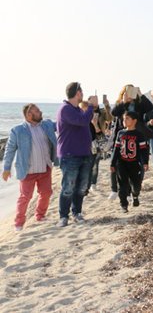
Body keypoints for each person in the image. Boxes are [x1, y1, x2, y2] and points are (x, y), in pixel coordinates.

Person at [2, 104, 58, 231]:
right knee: (25, 197)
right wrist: (6, 168)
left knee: (46, 193)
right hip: (27, 170)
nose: (40, 112)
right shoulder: (17, 130)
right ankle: (19, 223)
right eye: (37, 111)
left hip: (45, 167)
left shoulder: (46, 125)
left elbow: (61, 123)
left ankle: (40, 215)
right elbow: (10, 150)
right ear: (29, 115)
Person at [56, 82, 98, 227]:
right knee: (68, 187)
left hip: (84, 154)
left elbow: (84, 122)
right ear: (77, 93)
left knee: (81, 187)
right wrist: (90, 106)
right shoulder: (65, 109)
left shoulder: (78, 110)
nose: (83, 94)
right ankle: (63, 216)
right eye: (81, 91)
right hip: (70, 155)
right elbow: (83, 121)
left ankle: (77, 212)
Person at [110, 111, 150, 213]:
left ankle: (135, 195)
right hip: (121, 163)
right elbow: (116, 149)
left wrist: (145, 162)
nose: (124, 121)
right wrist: (112, 163)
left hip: (135, 163)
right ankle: (123, 204)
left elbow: (143, 150)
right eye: (124, 119)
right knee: (122, 185)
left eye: (127, 118)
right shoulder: (120, 133)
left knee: (136, 185)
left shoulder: (139, 135)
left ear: (134, 121)